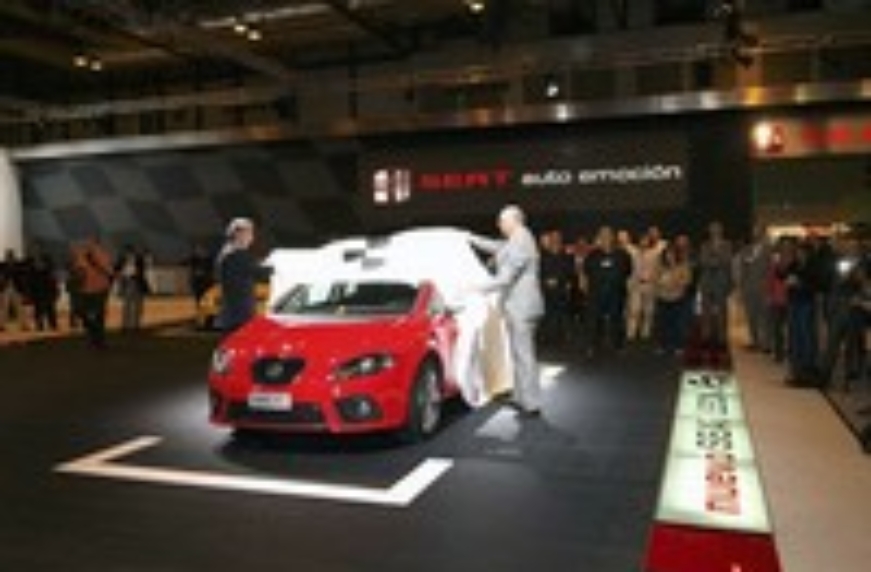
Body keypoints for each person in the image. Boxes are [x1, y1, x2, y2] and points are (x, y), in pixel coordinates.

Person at [468, 205, 545, 417]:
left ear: (514, 220)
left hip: (522, 306)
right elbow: (498, 247)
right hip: (518, 305)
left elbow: (506, 278)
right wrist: (472, 239)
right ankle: (522, 397)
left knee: (524, 355)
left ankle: (531, 403)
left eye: (502, 221)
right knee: (519, 354)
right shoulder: (518, 238)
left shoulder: (521, 240)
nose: (499, 225)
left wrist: (476, 287)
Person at [215, 217, 270, 334]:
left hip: (232, 315)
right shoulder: (238, 256)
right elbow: (263, 274)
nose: (252, 238)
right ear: (239, 234)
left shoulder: (226, 253)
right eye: (249, 233)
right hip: (240, 316)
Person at [73, 236, 114, 349]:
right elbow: (110, 271)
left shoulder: (96, 253)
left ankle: (95, 340)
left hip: (94, 289)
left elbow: (109, 271)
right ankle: (97, 339)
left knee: (93, 315)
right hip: (93, 289)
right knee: (92, 315)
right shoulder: (83, 254)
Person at [114, 243, 152, 332]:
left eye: (130, 252)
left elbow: (144, 270)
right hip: (128, 282)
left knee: (137, 306)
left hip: (136, 283)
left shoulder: (139, 259)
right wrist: (121, 277)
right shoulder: (122, 260)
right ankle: (126, 325)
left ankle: (135, 325)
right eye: (128, 252)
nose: (129, 254)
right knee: (127, 306)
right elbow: (116, 270)